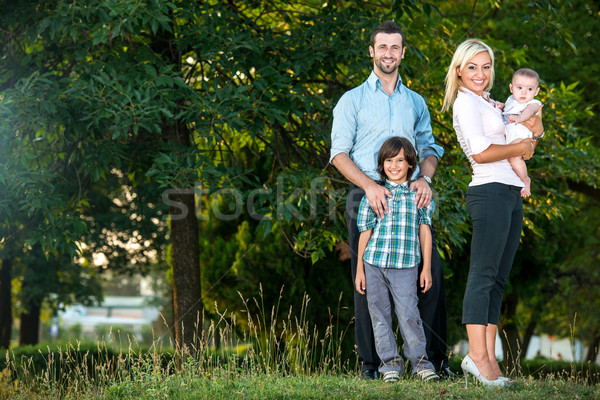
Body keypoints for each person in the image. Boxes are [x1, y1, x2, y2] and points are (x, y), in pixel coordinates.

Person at [330, 20, 450, 379]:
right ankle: (373, 364)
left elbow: (430, 148)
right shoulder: (352, 99)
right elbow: (338, 153)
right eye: (382, 47)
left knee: (432, 273)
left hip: (410, 198)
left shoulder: (415, 101)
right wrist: (369, 185)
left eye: (395, 48)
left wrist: (425, 178)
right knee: (366, 278)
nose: (388, 54)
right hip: (366, 195)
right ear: (372, 51)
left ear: (402, 52)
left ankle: (433, 362)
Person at [442, 39, 544, 389]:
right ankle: (477, 357)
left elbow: (532, 128)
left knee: (498, 280)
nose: (480, 74)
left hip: (510, 192)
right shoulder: (465, 104)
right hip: (488, 192)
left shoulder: (488, 102)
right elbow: (483, 152)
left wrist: (530, 129)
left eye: (486, 67)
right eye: (472, 67)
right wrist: (520, 147)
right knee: (482, 275)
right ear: (459, 70)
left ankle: (490, 361)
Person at [355, 137, 440, 383]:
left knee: (409, 315)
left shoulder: (419, 195)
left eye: (400, 160)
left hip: (406, 266)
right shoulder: (374, 195)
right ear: (381, 165)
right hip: (374, 263)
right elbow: (365, 232)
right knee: (379, 316)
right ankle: (390, 366)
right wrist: (360, 269)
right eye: (389, 160)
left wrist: (426, 268)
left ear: (411, 164)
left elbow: (425, 230)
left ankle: (421, 364)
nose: (394, 165)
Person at [502, 68, 543, 197]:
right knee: (509, 160)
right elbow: (506, 108)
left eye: (530, 89)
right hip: (509, 136)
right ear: (511, 88)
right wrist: (500, 105)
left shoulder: (533, 103)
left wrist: (520, 118)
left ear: (536, 91)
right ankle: (516, 179)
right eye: (519, 87)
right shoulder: (511, 100)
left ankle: (525, 179)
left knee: (514, 158)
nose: (524, 92)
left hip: (521, 137)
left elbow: (529, 112)